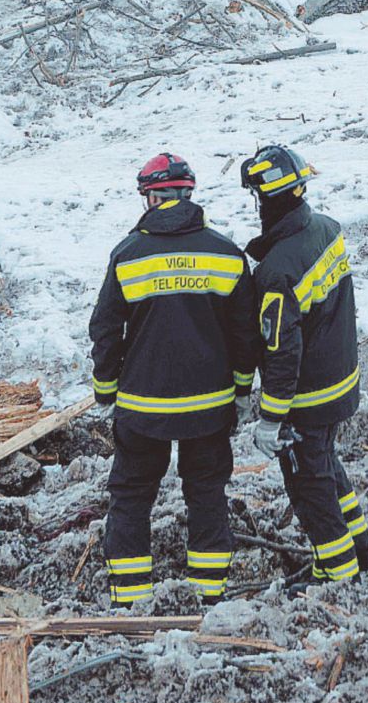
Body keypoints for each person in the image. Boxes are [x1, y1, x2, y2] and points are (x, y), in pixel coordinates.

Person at [89, 152, 258, 607]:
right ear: (189, 194)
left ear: (149, 197)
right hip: (210, 406)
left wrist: (106, 389)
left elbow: (106, 329)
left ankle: (129, 597)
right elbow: (246, 334)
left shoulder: (128, 255)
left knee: (131, 495)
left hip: (143, 408)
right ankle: (207, 596)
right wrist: (242, 390)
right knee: (206, 493)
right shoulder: (224, 253)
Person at [241, 145, 368, 590]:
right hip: (341, 384)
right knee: (328, 468)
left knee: (309, 490)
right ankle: (361, 552)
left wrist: (271, 418)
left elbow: (282, 353)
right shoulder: (326, 230)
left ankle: (337, 576)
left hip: (309, 400)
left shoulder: (277, 272)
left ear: (265, 199)